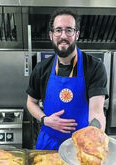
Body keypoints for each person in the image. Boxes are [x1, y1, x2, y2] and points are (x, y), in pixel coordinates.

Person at [26, 8, 108, 150]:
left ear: (77, 34)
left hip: (80, 145)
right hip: (48, 143)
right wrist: (46, 120)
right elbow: (31, 102)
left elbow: (97, 111)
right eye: (58, 30)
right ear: (51, 35)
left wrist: (95, 135)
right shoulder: (41, 68)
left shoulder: (94, 67)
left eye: (69, 30)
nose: (63, 35)